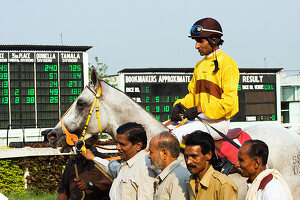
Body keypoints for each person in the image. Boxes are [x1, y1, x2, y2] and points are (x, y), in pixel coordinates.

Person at [170, 17, 239, 142]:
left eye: (200, 41)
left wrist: (200, 109)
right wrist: (179, 106)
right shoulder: (200, 65)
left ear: (213, 40)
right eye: (195, 41)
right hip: (200, 119)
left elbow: (230, 103)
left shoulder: (228, 64)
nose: (196, 46)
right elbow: (193, 96)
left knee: (173, 137)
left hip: (218, 123)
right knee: (160, 130)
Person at [81, 122, 156, 200]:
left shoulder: (145, 169)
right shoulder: (128, 164)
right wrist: (93, 158)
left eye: (122, 144)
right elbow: (113, 168)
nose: (117, 147)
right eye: (117, 143)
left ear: (138, 146)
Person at [184, 130, 238, 200]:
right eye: (186, 157)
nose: (188, 162)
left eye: (194, 156)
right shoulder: (191, 182)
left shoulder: (223, 185)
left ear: (208, 155)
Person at [57, 135, 112, 200]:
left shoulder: (105, 160)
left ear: (94, 139)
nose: (79, 142)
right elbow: (63, 192)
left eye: (84, 138)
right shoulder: (72, 163)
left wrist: (89, 185)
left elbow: (109, 183)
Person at [148, 131, 190, 200]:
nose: (149, 156)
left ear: (164, 153)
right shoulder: (168, 176)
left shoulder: (178, 178)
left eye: (151, 152)